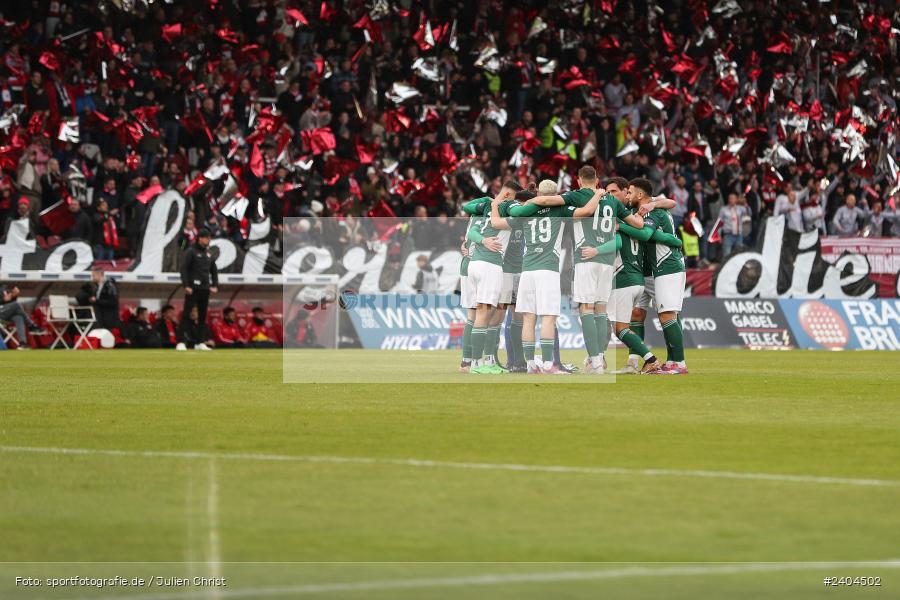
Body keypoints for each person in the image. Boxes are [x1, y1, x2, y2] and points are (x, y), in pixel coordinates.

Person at [179, 227, 218, 331]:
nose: (209, 240)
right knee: (187, 313)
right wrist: (186, 285)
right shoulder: (191, 251)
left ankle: (200, 342)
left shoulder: (209, 253)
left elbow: (214, 270)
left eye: (209, 238)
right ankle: (181, 341)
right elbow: (184, 269)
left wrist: (214, 285)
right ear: (200, 238)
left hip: (205, 288)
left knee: (202, 315)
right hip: (192, 288)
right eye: (206, 238)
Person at [0, 285, 47, 349]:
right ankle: (31, 326)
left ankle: (22, 343)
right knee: (16, 304)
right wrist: (3, 300)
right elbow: (5, 301)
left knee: (19, 317)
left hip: (6, 313)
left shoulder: (4, 287)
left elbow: (10, 302)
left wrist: (14, 296)